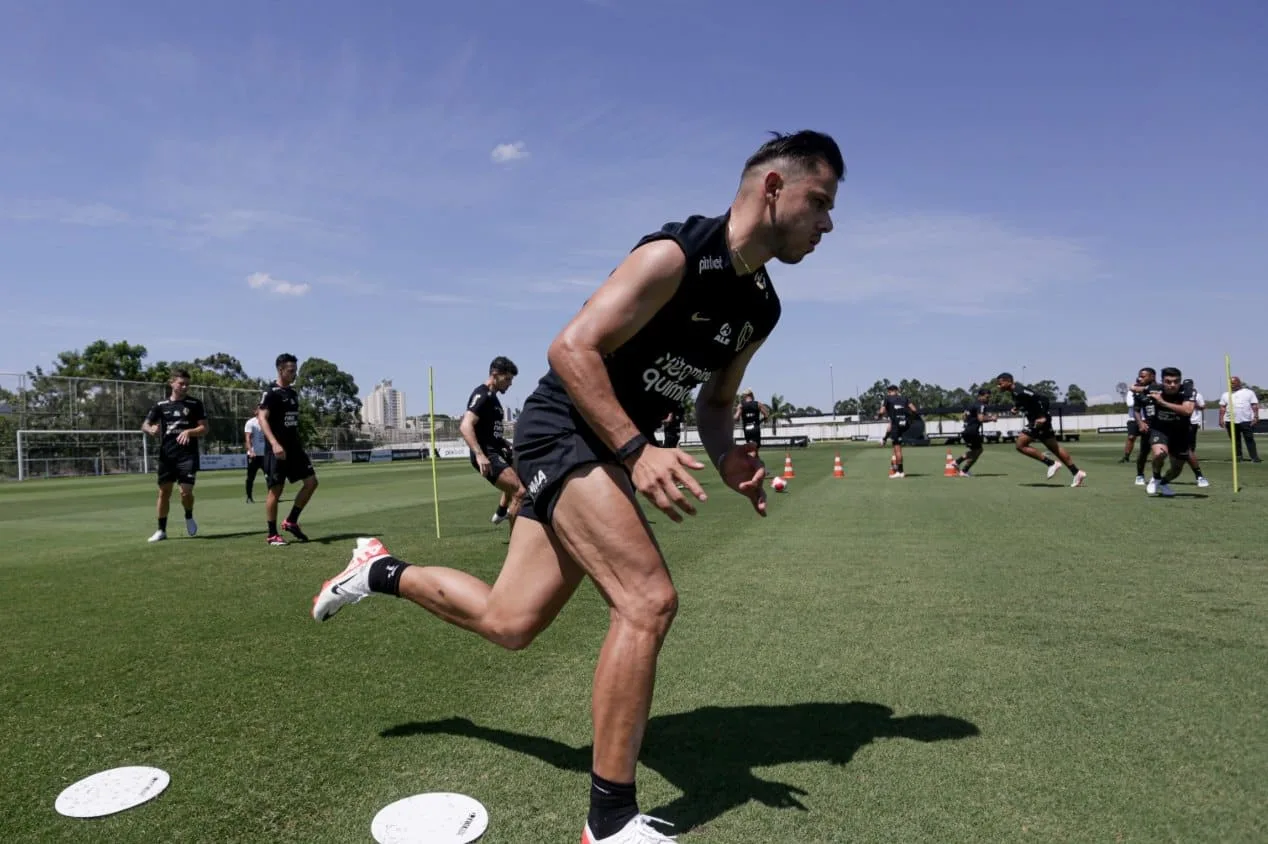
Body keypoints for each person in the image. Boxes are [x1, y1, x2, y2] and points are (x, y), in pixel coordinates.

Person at [310, 129, 845, 843]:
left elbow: (715, 404)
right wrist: (637, 450)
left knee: (509, 622)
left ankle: (377, 570)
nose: (827, 223)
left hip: (604, 451)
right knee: (647, 601)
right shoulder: (676, 255)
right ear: (774, 188)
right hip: (562, 430)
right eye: (820, 201)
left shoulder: (762, 309)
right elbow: (570, 348)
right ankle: (609, 821)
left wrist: (729, 458)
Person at [257, 353, 319, 545]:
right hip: (276, 450)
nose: (294, 374)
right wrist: (274, 443)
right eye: (291, 371)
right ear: (280, 370)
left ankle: (291, 521)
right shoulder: (271, 392)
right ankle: (272, 534)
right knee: (276, 490)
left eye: (295, 370)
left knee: (311, 482)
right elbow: (262, 418)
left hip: (294, 448)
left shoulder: (292, 393)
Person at [141, 369, 208, 542]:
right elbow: (145, 425)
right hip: (167, 456)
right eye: (181, 383)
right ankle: (161, 530)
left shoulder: (195, 404)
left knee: (185, 492)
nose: (185, 387)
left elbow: (204, 428)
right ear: (172, 383)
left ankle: (188, 515)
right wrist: (151, 429)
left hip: (187, 455)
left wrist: (189, 432)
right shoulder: (161, 405)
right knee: (164, 492)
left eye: (187, 384)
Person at [460, 356, 525, 526]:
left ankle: (502, 510)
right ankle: (516, 539)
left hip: (497, 449)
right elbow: (465, 426)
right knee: (520, 491)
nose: (510, 384)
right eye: (507, 379)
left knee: (523, 476)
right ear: (495, 375)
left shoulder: (494, 398)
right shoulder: (482, 394)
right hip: (488, 454)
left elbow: (489, 431)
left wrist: (503, 442)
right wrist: (480, 455)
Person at [995, 372, 1087, 487]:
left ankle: (1051, 463)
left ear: (1008, 381)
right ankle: (1077, 472)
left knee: (1020, 445)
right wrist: (1016, 408)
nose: (998, 386)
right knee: (1054, 448)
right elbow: (1026, 402)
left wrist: (1042, 416)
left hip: (1038, 421)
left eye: (1000, 383)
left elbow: (1043, 399)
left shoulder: (1020, 390)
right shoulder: (1014, 393)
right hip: (1039, 420)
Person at [1140, 367, 1198, 497]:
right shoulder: (1155, 389)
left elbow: (1188, 410)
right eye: (1168, 381)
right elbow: (1137, 388)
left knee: (1176, 469)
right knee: (1160, 454)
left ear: (1180, 381)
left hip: (1180, 432)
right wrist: (1136, 389)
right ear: (1162, 381)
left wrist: (1162, 402)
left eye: (1176, 381)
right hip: (1160, 429)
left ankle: (1163, 482)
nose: (1172, 385)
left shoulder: (1188, 391)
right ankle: (1156, 477)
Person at [1122, 367, 1156, 484]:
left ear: (1152, 376)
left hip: (1158, 424)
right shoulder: (1137, 392)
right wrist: (1141, 423)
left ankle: (1156, 476)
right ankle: (1140, 474)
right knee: (1143, 451)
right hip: (1142, 422)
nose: (1140, 379)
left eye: (1143, 377)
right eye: (1139, 377)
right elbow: (1133, 406)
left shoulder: (1160, 388)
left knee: (1159, 451)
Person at [1219, 375, 1261, 463]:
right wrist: (1221, 419)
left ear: (1239, 383)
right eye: (1230, 383)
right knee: (1235, 440)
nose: (1231, 385)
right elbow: (1222, 407)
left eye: (1233, 383)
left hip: (1245, 420)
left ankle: (1254, 457)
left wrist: (1256, 416)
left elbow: (1254, 405)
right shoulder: (1225, 394)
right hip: (1230, 420)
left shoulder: (1248, 392)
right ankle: (1238, 457)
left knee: (1249, 439)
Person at [880, 384, 918, 478]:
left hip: (896, 426)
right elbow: (914, 409)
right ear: (897, 391)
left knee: (897, 448)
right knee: (897, 447)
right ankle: (884, 439)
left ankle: (900, 472)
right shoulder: (905, 398)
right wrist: (911, 419)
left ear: (889, 391)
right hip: (905, 425)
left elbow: (882, 411)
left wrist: (879, 415)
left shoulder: (887, 398)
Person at [955, 388, 995, 476]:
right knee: (978, 450)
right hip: (972, 432)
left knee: (976, 451)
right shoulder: (981, 405)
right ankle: (958, 464)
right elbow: (981, 419)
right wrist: (992, 418)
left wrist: (972, 420)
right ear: (980, 396)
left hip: (966, 431)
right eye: (987, 397)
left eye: (989, 397)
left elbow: (963, 417)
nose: (988, 399)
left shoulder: (971, 404)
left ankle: (963, 469)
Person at [1182, 379, 1210, 488]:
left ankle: (1191, 457)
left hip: (1193, 421)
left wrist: (1194, 405)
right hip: (1182, 421)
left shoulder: (1197, 395)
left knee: (1191, 441)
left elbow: (1203, 407)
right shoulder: (1181, 394)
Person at [244, 414, 267, 503]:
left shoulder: (268, 421)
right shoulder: (251, 422)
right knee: (250, 477)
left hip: (265, 455)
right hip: (254, 455)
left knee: (270, 477)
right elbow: (247, 438)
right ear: (256, 411)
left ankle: (272, 496)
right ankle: (249, 497)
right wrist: (251, 451)